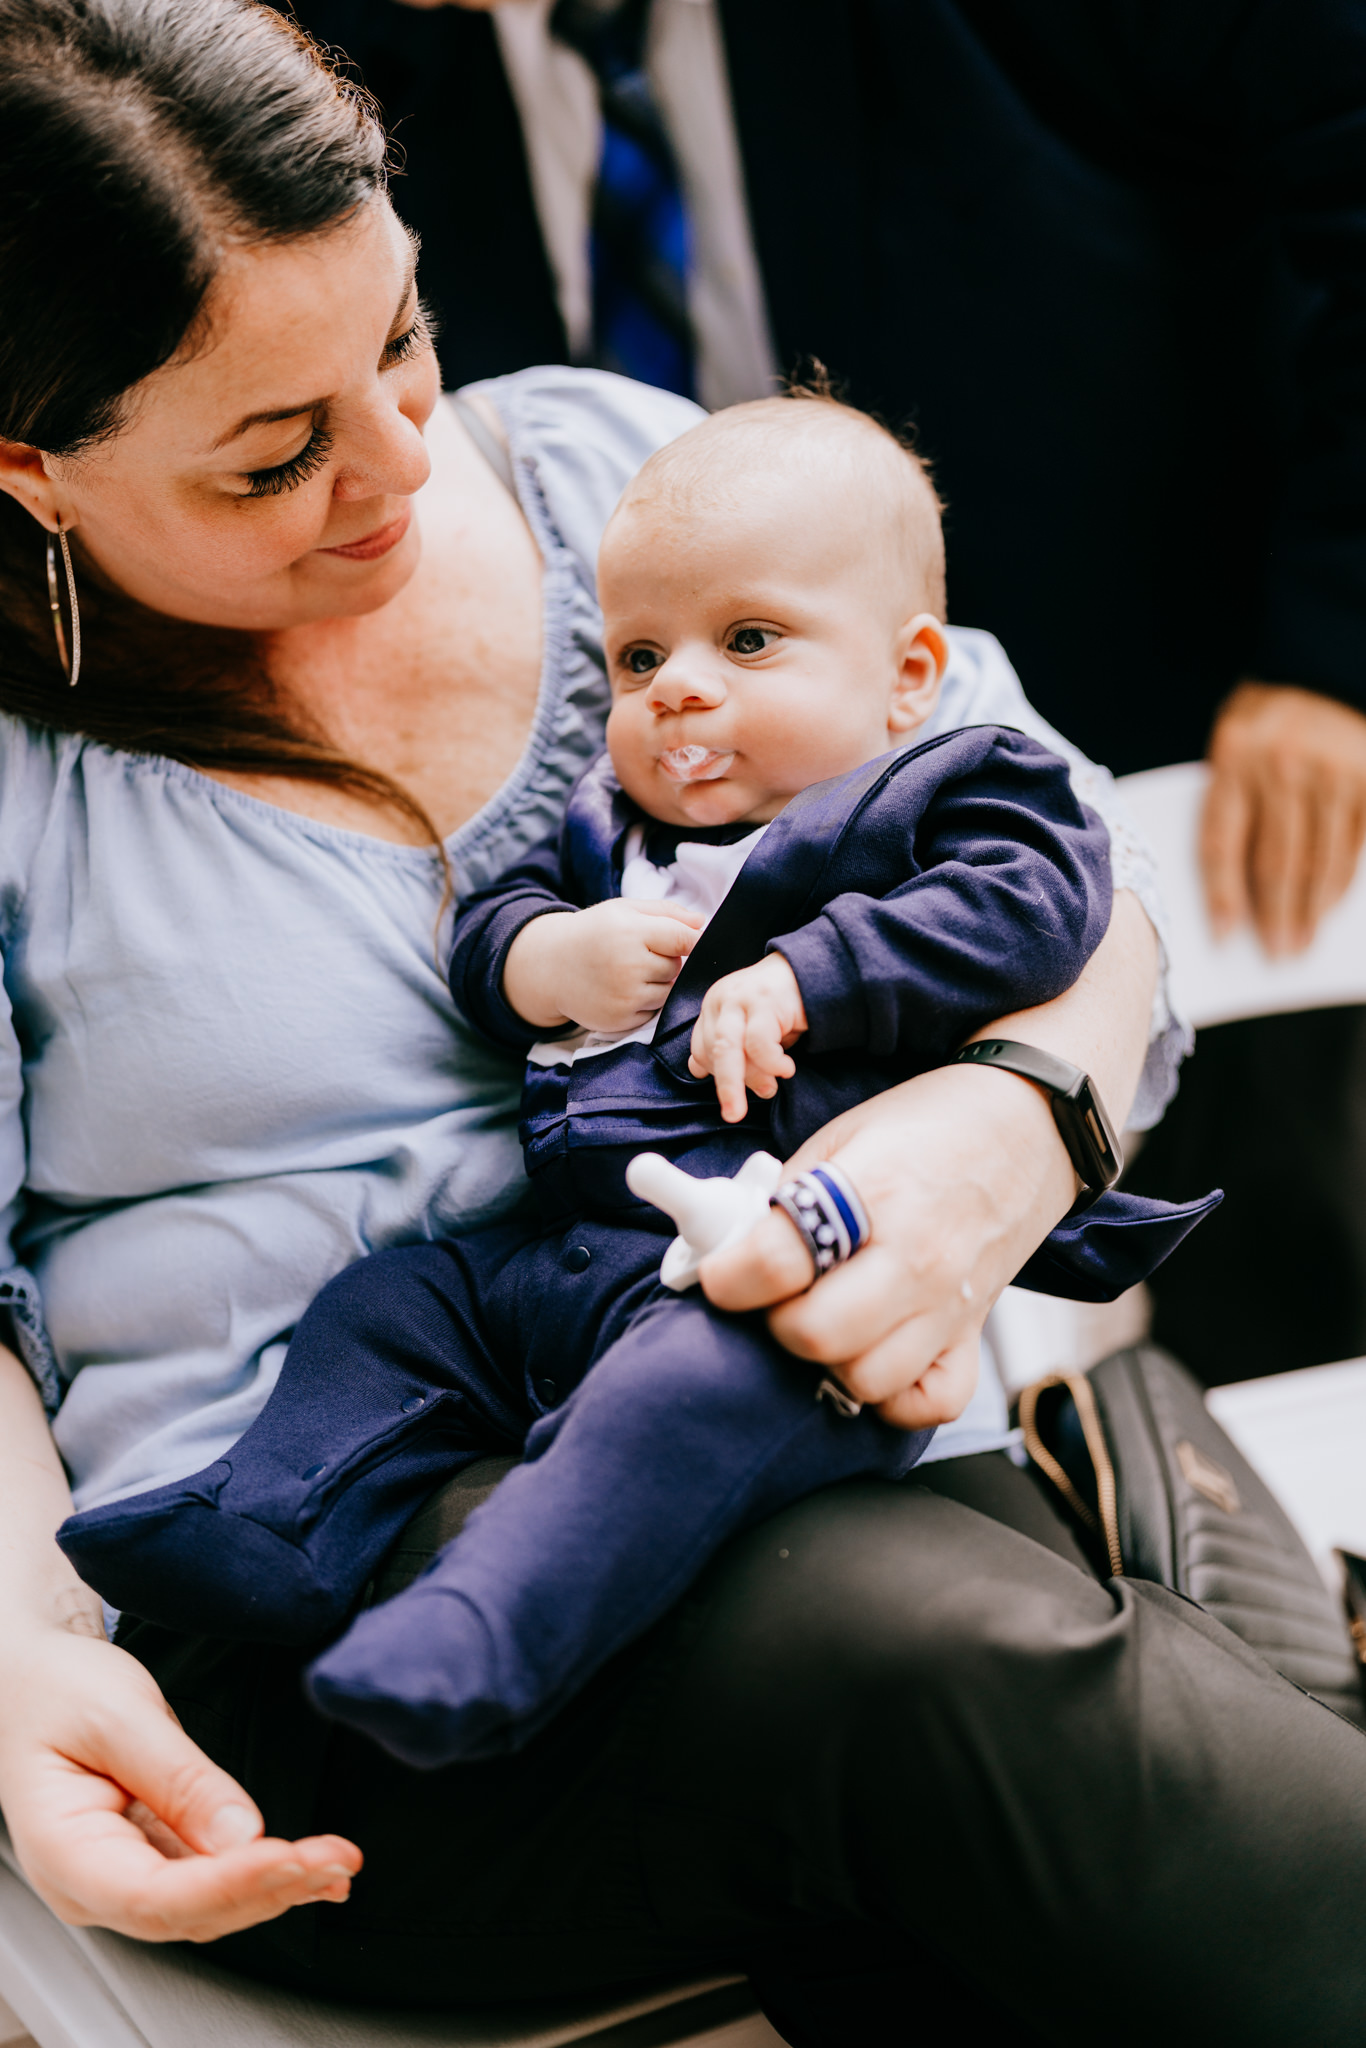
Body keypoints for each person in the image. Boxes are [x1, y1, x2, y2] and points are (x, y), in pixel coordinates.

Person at [1, 8, 1364, 2044]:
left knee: (980, 1878)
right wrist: (18, 1653)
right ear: (29, 463)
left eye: (399, 338)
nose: (397, 464)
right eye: (274, 451)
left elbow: (1063, 861)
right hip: (318, 1601)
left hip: (840, 1449)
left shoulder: (608, 471)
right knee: (925, 1673)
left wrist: (1018, 1119)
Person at [56, 394, 1204, 1765]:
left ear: (906, 674)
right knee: (389, 1310)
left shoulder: (939, 793)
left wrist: (812, 976)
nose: (676, 688)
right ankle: (266, 1522)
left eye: (749, 641)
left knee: (677, 1405)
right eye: (638, 655)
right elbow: (491, 932)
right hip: (556, 1254)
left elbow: (1035, 907)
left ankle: (495, 1623)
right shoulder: (614, 823)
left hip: (756, 1263)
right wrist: (546, 957)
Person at [300, 0, 1366, 1383]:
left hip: (1169, 696)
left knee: (1278, 1276)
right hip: (707, 914)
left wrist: (1334, 645)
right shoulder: (335, 57)